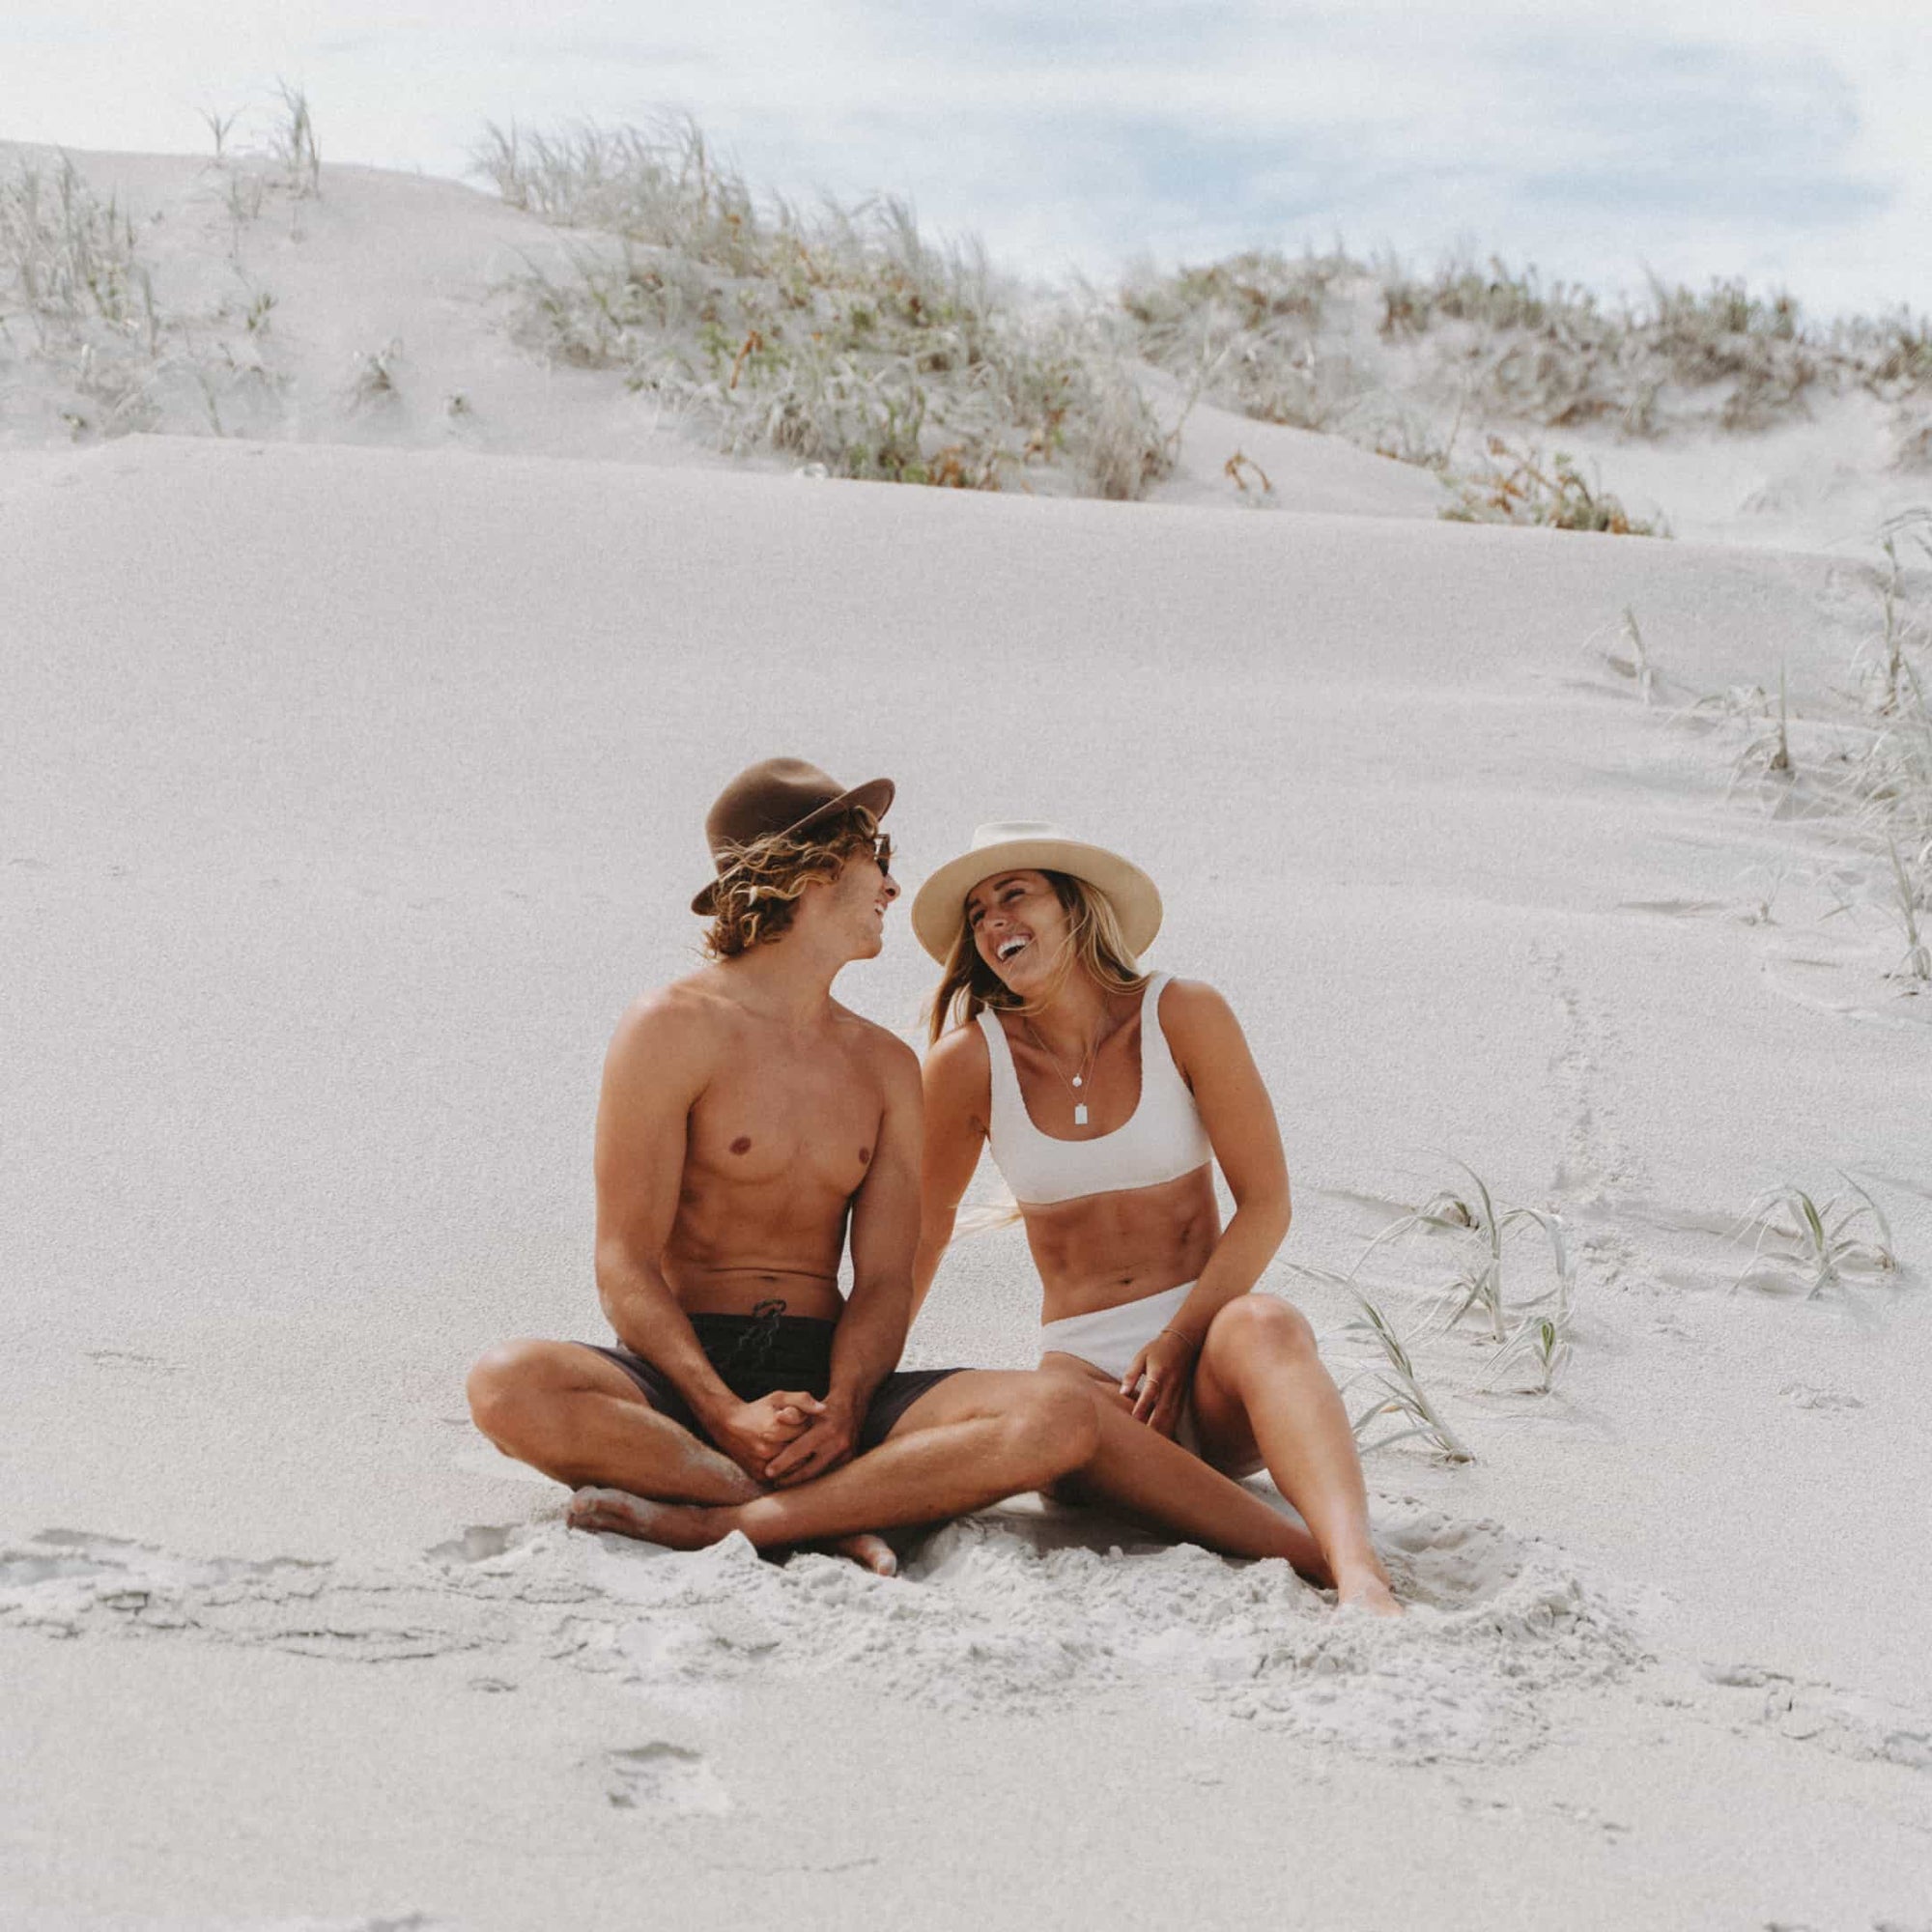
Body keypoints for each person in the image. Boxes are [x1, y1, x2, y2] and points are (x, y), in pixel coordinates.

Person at [465, 761, 1332, 1577]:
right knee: (507, 1383)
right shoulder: (668, 1029)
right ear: (807, 874)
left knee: (1059, 1415)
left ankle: (777, 1503)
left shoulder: (882, 1063)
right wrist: (726, 1414)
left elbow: (885, 1277)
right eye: (871, 858)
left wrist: (844, 1407)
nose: (889, 885)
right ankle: (785, 1503)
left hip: (828, 1373)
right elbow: (625, 1261)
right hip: (679, 1374)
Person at [911, 821, 1400, 1614]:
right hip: (1092, 1387)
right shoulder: (968, 1063)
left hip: (1212, 1363)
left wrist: (1178, 1342)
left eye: (1014, 894)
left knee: (1269, 1323)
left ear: (1073, 906)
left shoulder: (1184, 1013)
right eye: (978, 914)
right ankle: (1310, 1558)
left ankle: (1361, 1572)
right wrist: (859, 1373)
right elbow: (923, 1229)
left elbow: (1267, 1203)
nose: (995, 921)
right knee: (1060, 1415)